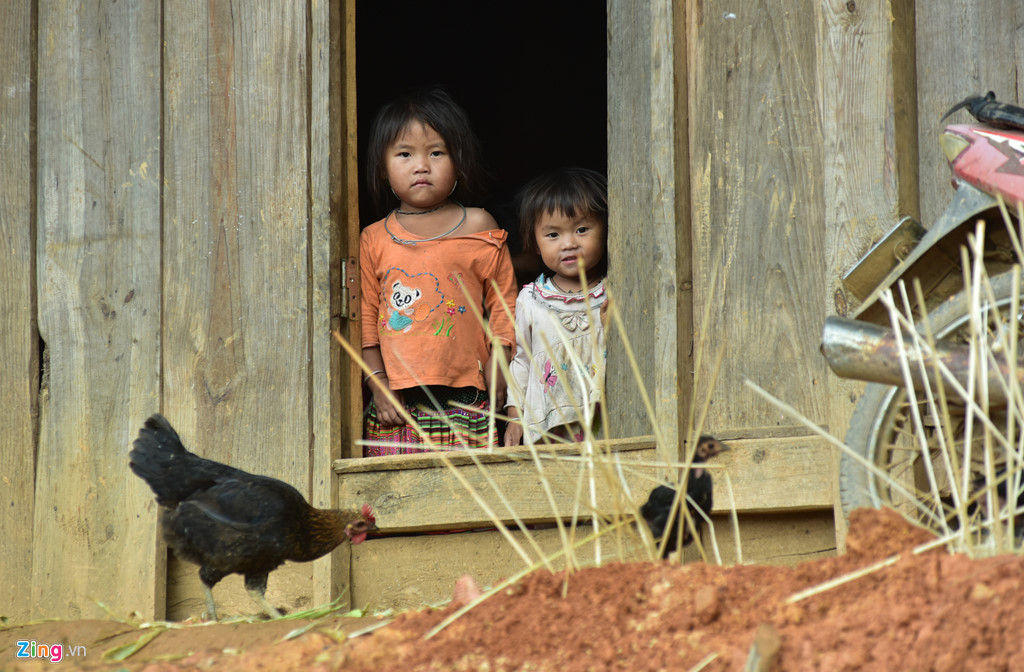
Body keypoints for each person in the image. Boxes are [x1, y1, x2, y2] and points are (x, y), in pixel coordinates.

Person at [360, 87, 517, 455]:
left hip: (468, 401)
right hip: (397, 408)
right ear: (383, 169)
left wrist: (500, 364)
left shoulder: (479, 225)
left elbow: (504, 303)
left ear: (458, 162)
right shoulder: (373, 238)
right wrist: (378, 385)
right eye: (404, 154)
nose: (421, 166)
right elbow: (365, 319)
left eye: (436, 152)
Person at [503, 168, 608, 446]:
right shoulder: (531, 300)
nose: (569, 243)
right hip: (549, 430)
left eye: (582, 230)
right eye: (553, 235)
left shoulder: (615, 292)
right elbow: (522, 360)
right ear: (535, 244)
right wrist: (514, 416)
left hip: (606, 426)